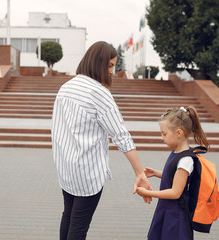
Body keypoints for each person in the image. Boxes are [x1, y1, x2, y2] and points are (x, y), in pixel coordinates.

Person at [51, 41, 152, 240]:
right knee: (79, 225)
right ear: (97, 64)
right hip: (88, 173)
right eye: (110, 66)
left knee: (68, 215)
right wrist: (139, 172)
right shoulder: (99, 93)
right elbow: (121, 136)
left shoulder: (66, 88)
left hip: (66, 168)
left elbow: (57, 129)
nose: (112, 72)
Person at [136, 106, 209, 240]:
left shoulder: (186, 160)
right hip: (167, 210)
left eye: (164, 134)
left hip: (176, 216)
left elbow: (175, 192)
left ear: (179, 133)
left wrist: (147, 193)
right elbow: (175, 176)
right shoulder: (178, 153)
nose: (161, 138)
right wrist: (157, 173)